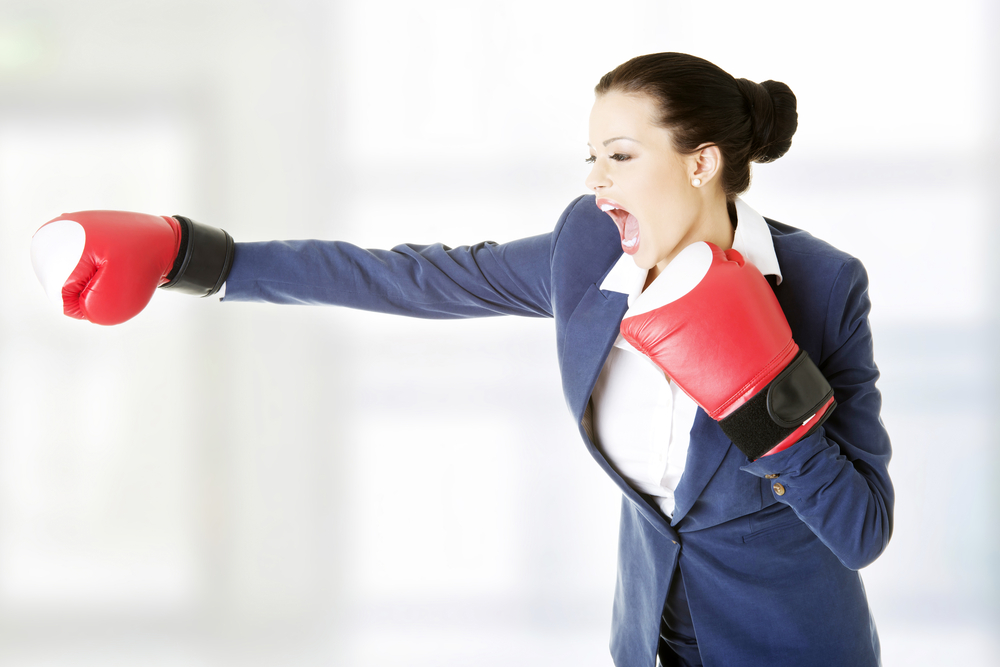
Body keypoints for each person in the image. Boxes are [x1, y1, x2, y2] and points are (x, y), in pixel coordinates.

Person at [30, 52, 893, 667]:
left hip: (797, 647)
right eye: (591, 158)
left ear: (702, 162)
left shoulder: (821, 287)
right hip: (647, 640)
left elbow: (863, 531)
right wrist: (196, 257)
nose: (598, 185)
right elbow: (412, 277)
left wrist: (765, 401)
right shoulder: (588, 251)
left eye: (622, 158)